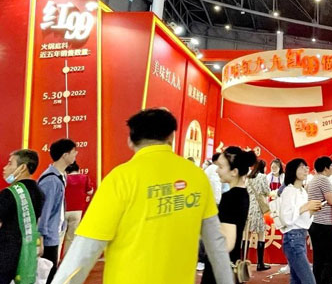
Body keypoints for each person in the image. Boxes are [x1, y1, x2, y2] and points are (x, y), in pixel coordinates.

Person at [52, 108, 234, 284]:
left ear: (130, 141)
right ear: (171, 137)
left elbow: (84, 250)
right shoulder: (196, 177)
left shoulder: (120, 178)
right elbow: (216, 244)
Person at [202, 147, 256, 284]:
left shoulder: (230, 197)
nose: (216, 170)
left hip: (220, 266)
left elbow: (227, 243)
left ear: (234, 172)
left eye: (221, 167)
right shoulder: (242, 194)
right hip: (231, 261)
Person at [0, 150, 44, 284]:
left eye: (10, 163)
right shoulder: (39, 192)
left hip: (5, 254)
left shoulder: (8, 194)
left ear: (22, 167)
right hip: (27, 252)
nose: (5, 168)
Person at [38, 138, 77, 282]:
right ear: (65, 155)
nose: (75, 154)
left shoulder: (60, 176)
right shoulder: (51, 180)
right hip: (48, 237)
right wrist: (41, 238)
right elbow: (44, 212)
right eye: (73, 152)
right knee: (48, 275)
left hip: (54, 233)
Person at [280, 158, 322, 284]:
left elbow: (304, 220)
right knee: (308, 280)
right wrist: (306, 207)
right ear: (293, 171)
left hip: (300, 236)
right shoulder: (289, 190)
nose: (305, 170)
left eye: (306, 167)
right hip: (292, 238)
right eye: (301, 167)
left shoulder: (302, 191)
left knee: (297, 279)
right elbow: (286, 217)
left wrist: (312, 210)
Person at [307, 156, 332, 284]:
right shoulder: (324, 180)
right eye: (331, 166)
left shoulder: (313, 180)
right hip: (324, 223)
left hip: (314, 222)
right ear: (326, 168)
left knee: (319, 258)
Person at [246, 159, 271, 271]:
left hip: (249, 206)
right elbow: (267, 191)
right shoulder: (262, 177)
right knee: (261, 234)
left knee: (247, 235)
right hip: (258, 207)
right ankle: (260, 263)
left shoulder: (249, 177)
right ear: (262, 167)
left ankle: (243, 261)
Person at [63, 162, 94, 255]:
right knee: (71, 237)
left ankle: (56, 260)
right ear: (78, 169)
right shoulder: (84, 178)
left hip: (63, 210)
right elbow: (90, 191)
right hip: (77, 210)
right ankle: (67, 257)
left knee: (59, 236)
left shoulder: (64, 178)